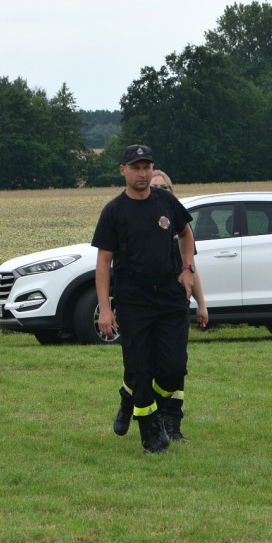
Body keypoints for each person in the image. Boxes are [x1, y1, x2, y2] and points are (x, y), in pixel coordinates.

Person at [92, 145, 196, 454]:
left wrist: (188, 269)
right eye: (136, 167)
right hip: (133, 298)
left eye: (147, 166)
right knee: (140, 369)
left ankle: (130, 399)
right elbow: (103, 262)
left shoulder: (166, 201)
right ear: (123, 170)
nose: (143, 172)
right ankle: (151, 435)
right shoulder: (114, 210)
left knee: (174, 367)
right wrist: (105, 310)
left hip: (169, 296)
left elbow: (186, 235)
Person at [111, 169, 208, 443]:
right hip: (140, 304)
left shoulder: (175, 225)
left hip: (171, 303)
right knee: (141, 367)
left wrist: (201, 304)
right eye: (157, 186)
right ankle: (130, 403)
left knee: (174, 367)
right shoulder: (130, 215)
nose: (162, 191)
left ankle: (171, 425)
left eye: (167, 187)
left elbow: (191, 268)